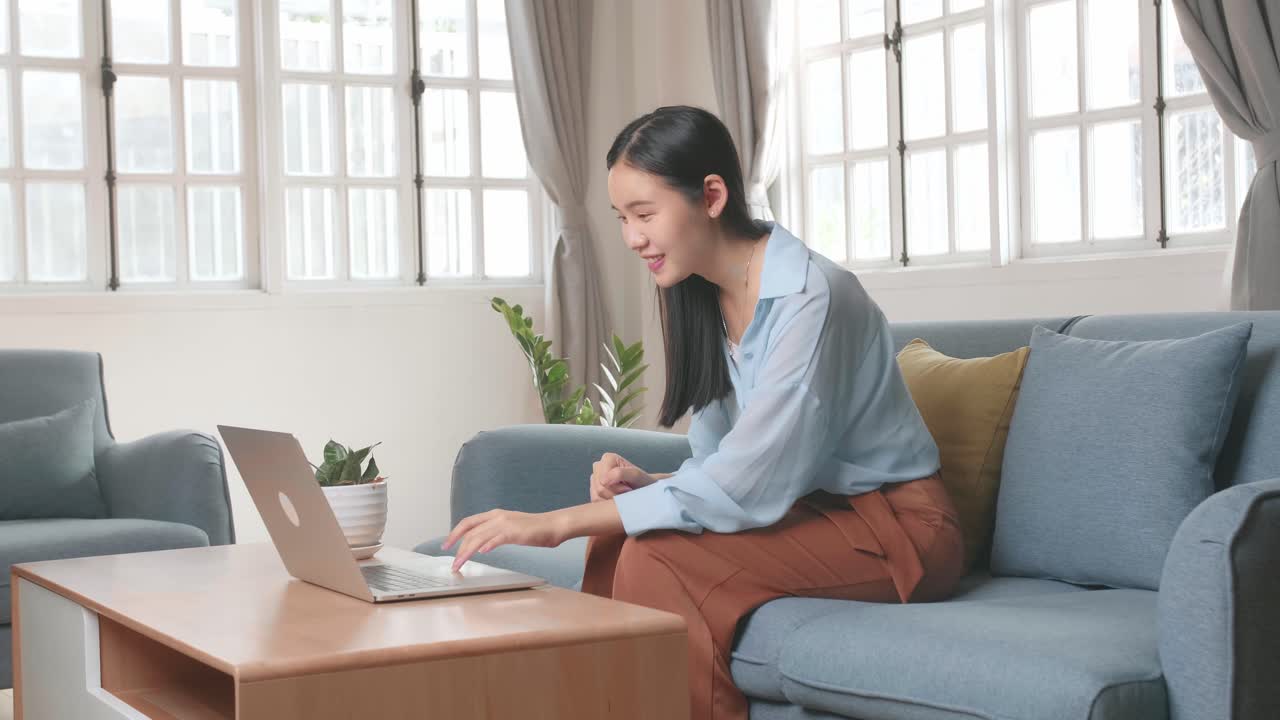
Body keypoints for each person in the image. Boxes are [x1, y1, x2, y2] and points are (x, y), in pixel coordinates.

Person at [443, 105, 965, 719]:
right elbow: (722, 460)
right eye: (621, 218)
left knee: (648, 551)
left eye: (645, 214)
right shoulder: (699, 293)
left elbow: (750, 479)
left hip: (899, 530)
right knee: (618, 549)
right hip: (811, 510)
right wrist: (655, 484)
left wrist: (560, 521)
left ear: (712, 196)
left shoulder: (814, 298)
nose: (632, 238)